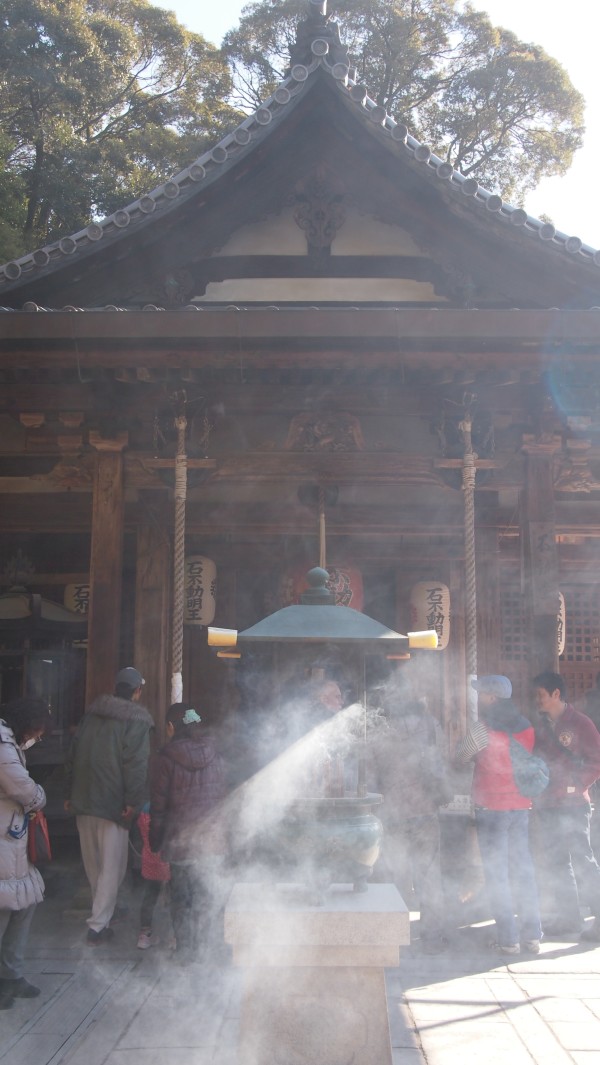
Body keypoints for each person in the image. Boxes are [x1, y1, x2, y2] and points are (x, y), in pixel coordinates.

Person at [65, 666, 153, 944]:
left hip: (83, 800)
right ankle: (98, 925)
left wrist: (69, 792)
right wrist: (133, 801)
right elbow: (136, 764)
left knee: (94, 866)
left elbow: (73, 753)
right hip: (114, 804)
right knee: (112, 867)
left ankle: (102, 915)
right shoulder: (137, 721)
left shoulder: (91, 716)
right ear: (138, 691)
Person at [456, 675, 542, 955]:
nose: (480, 699)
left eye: (482, 694)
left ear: (492, 697)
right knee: (523, 870)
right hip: (520, 806)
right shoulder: (527, 727)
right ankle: (532, 936)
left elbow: (461, 756)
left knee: (497, 874)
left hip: (491, 808)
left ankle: (509, 940)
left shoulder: (482, 730)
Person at [370, 677, 451, 953]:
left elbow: (370, 774)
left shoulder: (379, 731)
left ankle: (395, 932)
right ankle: (433, 934)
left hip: (391, 811)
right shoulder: (429, 726)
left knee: (395, 873)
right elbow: (441, 762)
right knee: (429, 874)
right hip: (425, 808)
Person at [149, 702, 226, 963]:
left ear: (171, 727)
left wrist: (155, 841)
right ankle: (211, 950)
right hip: (213, 841)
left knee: (182, 898)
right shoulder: (216, 753)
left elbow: (158, 808)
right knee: (209, 897)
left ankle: (186, 952)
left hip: (181, 842)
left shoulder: (165, 758)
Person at [532, 670, 600, 939]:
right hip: (549, 803)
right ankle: (568, 918)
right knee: (557, 863)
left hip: (573, 804)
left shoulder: (580, 723)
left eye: (541, 695)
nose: (537, 700)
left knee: (583, 861)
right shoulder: (543, 725)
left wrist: (576, 785)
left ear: (556, 694)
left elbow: (596, 761)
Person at [0, 697, 48, 1010]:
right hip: (4, 838)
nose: (38, 737)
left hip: (10, 838)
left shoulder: (9, 743)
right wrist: (40, 796)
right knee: (5, 909)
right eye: (38, 731)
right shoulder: (3, 746)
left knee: (23, 904)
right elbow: (24, 789)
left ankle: (10, 974)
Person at [135, 803, 171, 950]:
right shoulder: (171, 807)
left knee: (150, 896)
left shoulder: (144, 810)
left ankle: (145, 935)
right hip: (168, 860)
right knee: (174, 897)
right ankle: (173, 936)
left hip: (150, 860)